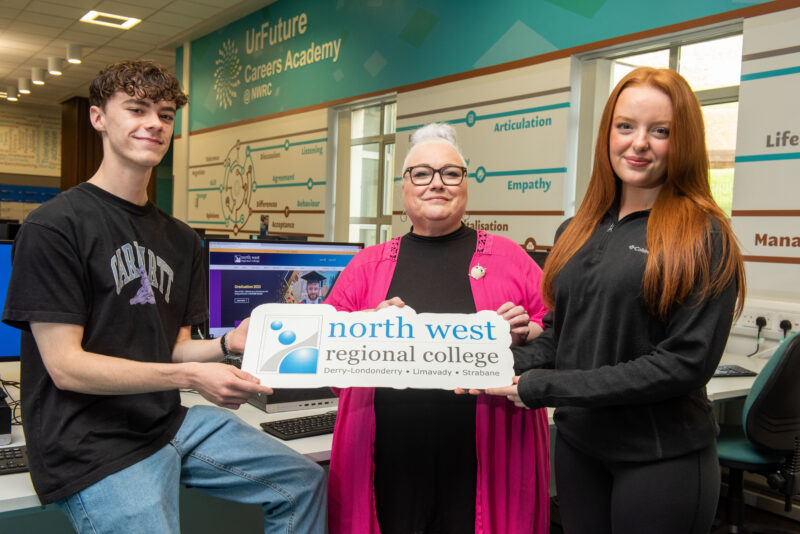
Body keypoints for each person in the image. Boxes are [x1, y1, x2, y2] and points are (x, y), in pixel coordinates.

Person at [1, 60, 326, 534]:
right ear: (98, 118)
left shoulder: (180, 238)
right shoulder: (54, 226)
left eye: (165, 114)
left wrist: (225, 346)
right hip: (88, 442)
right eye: (136, 109)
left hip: (165, 422)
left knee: (304, 480)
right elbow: (66, 367)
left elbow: (169, 346)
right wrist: (191, 375)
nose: (154, 123)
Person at [487, 67, 745, 534]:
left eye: (659, 131)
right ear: (608, 132)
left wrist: (542, 387)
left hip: (660, 458)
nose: (638, 143)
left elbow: (684, 364)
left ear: (682, 140)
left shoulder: (703, 235)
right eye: (625, 126)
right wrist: (480, 358)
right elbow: (562, 341)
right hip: (580, 447)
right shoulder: (576, 229)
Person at [324, 123, 551, 534]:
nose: (437, 184)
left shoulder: (511, 259)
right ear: (403, 186)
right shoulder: (365, 267)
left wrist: (524, 335)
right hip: (387, 457)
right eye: (421, 173)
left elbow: (559, 333)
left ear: (465, 185)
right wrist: (363, 329)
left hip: (486, 457)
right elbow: (322, 351)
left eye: (451, 173)